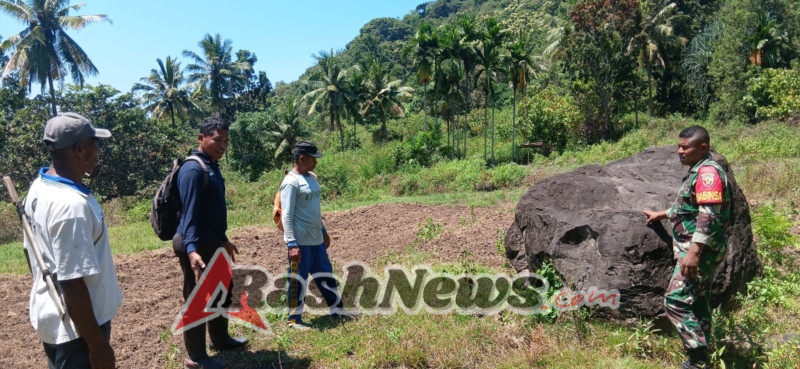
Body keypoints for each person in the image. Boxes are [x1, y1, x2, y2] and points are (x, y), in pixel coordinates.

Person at [22, 112, 123, 369]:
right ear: (79, 149)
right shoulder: (71, 207)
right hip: (78, 329)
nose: (98, 150)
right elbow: (72, 282)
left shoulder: (38, 188)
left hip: (55, 315)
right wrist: (98, 346)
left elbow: (31, 254)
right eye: (94, 143)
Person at [642, 126, 731, 369]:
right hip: (700, 248)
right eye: (678, 147)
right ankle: (703, 359)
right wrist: (661, 214)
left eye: (685, 147)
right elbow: (688, 208)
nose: (680, 151)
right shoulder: (697, 171)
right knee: (699, 301)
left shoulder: (707, 173)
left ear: (703, 148)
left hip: (700, 251)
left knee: (675, 301)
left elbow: (709, 213)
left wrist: (693, 253)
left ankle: (698, 359)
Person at [173, 117, 247, 369]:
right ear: (201, 138)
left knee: (222, 290)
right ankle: (195, 358)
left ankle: (220, 338)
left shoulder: (211, 166)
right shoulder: (193, 169)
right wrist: (192, 251)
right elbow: (190, 214)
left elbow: (211, 212)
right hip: (197, 246)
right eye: (217, 139)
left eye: (226, 140)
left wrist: (224, 240)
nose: (223, 145)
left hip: (213, 242)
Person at [280, 141, 343, 330]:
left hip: (316, 239)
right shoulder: (291, 183)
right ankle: (294, 319)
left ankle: (337, 310)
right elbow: (287, 215)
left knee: (325, 274)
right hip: (300, 242)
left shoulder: (312, 178)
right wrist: (291, 243)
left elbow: (314, 210)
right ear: (302, 158)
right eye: (313, 159)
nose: (316, 162)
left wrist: (323, 231)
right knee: (298, 280)